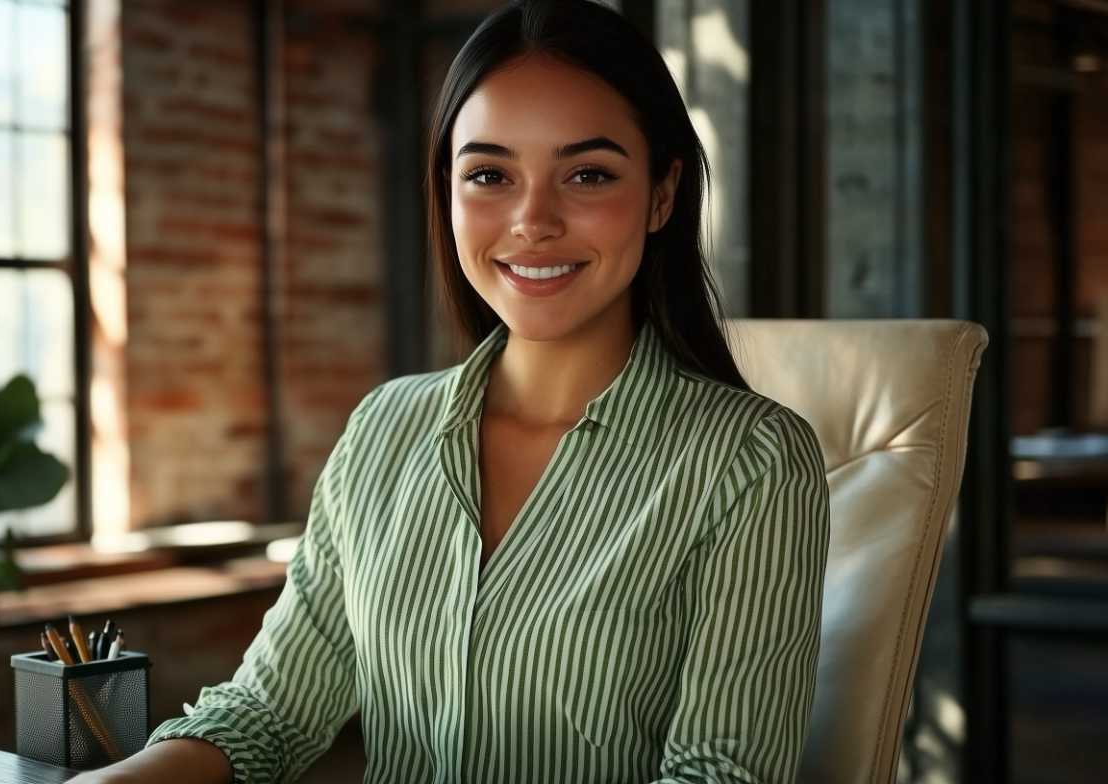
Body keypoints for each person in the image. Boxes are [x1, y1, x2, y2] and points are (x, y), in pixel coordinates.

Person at [68, 0, 830, 782]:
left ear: (663, 195)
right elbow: (269, 713)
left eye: (588, 174)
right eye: (490, 175)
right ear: (449, 191)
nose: (533, 220)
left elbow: (719, 775)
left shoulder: (752, 462)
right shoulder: (383, 429)